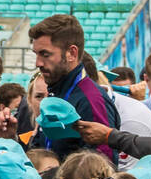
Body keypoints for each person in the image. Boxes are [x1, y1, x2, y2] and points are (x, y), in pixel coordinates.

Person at [26, 14, 119, 160]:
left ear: (71, 53)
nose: (38, 63)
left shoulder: (91, 100)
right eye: (36, 54)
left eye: (45, 54)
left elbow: (102, 168)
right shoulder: (54, 92)